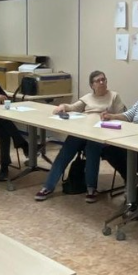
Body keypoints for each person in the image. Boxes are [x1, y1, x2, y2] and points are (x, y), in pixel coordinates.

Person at [34, 70, 126, 204]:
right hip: (84, 130)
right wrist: (62, 106)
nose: (102, 83)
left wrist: (111, 116)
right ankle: (48, 186)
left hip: (102, 133)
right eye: (98, 81)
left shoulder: (114, 96)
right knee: (66, 150)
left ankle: (91, 187)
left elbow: (124, 116)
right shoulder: (87, 98)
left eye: (104, 80)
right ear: (92, 85)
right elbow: (72, 107)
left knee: (92, 148)